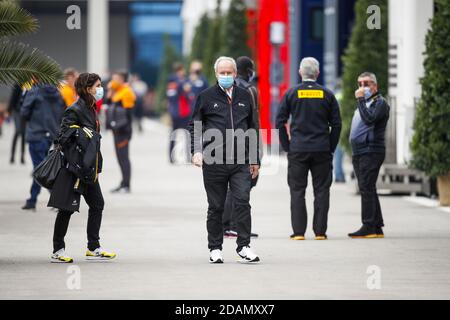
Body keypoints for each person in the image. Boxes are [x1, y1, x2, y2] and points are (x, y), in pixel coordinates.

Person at [188, 56, 261, 264]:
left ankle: (244, 246)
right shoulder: (206, 96)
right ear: (216, 74)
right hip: (214, 160)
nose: (226, 76)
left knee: (242, 202)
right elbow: (195, 125)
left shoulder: (245, 95)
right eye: (223, 73)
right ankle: (215, 248)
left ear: (236, 74)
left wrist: (255, 159)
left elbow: (253, 128)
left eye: (230, 73)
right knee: (216, 206)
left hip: (241, 160)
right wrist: (196, 151)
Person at [48, 72, 116, 263]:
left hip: (89, 168)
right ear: (87, 89)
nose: (101, 89)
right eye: (98, 86)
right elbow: (61, 137)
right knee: (66, 209)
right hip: (75, 168)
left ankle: (93, 247)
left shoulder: (91, 107)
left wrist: (96, 166)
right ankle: (58, 250)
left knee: (97, 204)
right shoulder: (75, 109)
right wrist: (78, 132)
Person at [276, 57, 341, 241]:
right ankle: (320, 232)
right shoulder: (327, 95)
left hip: (298, 149)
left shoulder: (291, 93)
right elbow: (337, 124)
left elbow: (279, 121)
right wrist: (330, 147)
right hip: (322, 149)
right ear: (318, 73)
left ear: (300, 73)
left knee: (297, 190)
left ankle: (298, 233)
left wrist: (287, 146)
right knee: (322, 190)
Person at [348, 72, 390, 239]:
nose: (362, 88)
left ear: (375, 86)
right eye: (359, 84)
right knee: (368, 187)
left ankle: (368, 226)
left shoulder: (380, 103)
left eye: (366, 84)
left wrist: (359, 101)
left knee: (365, 187)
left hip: (371, 150)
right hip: (361, 151)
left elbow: (369, 120)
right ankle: (377, 225)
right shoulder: (365, 103)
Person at [223, 56, 260, 239]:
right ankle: (234, 226)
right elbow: (254, 122)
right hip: (244, 143)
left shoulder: (223, 88)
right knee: (242, 184)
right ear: (248, 70)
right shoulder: (250, 90)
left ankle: (229, 226)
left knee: (231, 185)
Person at [20, 81, 65, 211]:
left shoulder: (34, 91)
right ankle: (32, 199)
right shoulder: (57, 92)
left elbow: (24, 112)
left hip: (36, 133)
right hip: (50, 134)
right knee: (42, 168)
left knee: (41, 170)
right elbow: (62, 113)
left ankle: (57, 199)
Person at [106, 71, 136, 193]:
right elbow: (109, 105)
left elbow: (128, 114)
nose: (113, 82)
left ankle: (126, 185)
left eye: (116, 79)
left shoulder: (127, 92)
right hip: (116, 130)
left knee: (123, 158)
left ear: (123, 80)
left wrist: (127, 132)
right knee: (119, 157)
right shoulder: (116, 91)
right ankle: (123, 182)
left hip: (123, 130)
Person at [167, 62, 193, 164]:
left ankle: (175, 157)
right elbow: (175, 97)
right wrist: (183, 88)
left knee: (179, 135)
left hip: (179, 112)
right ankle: (180, 157)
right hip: (181, 112)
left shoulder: (175, 83)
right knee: (185, 135)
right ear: (180, 70)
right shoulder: (176, 83)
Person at [7, 84, 27, 164]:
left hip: (25, 111)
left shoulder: (29, 85)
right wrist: (9, 110)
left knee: (23, 133)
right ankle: (12, 155)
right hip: (17, 111)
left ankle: (22, 156)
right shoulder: (17, 85)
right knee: (18, 131)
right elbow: (13, 98)